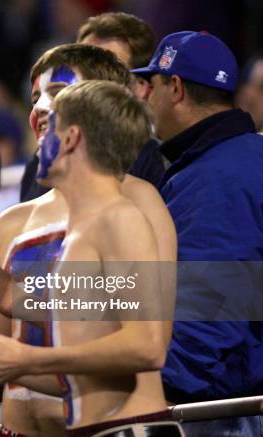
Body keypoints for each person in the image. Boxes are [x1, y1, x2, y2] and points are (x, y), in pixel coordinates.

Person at [0, 44, 177, 436]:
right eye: (35, 96)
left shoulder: (134, 204)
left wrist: (21, 339)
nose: (38, 109)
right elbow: (3, 374)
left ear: (97, 105)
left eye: (57, 93)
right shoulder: (12, 223)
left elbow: (144, 345)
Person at [132, 31, 263, 436]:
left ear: (175, 87)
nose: (143, 96)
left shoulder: (216, 176)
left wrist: (159, 398)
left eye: (149, 84)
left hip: (225, 410)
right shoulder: (233, 158)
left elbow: (210, 311)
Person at [20, 14, 164, 202]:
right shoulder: (37, 167)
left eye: (110, 66)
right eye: (36, 98)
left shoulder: (152, 163)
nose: (41, 107)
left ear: (138, 87)